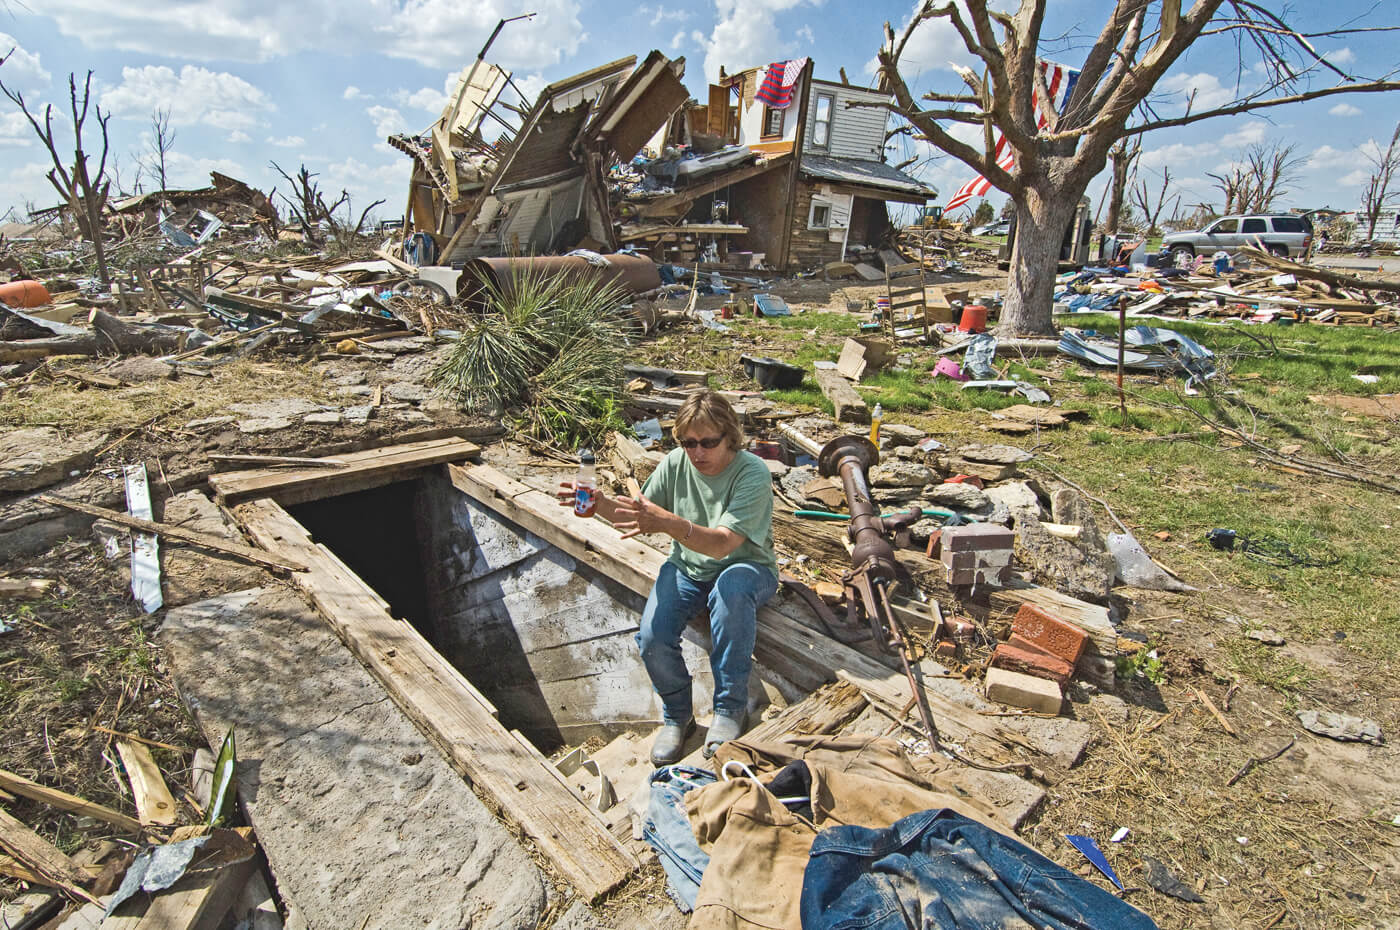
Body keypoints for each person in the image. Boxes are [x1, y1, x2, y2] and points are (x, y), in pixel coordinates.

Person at [559, 391, 777, 765]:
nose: (697, 453)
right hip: (689, 567)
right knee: (652, 636)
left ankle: (729, 709)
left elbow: (724, 545)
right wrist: (598, 505)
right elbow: (638, 514)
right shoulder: (676, 463)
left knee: (731, 593)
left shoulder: (751, 472)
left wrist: (670, 523)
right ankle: (678, 716)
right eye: (688, 443)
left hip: (747, 566)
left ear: (730, 437)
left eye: (708, 443)